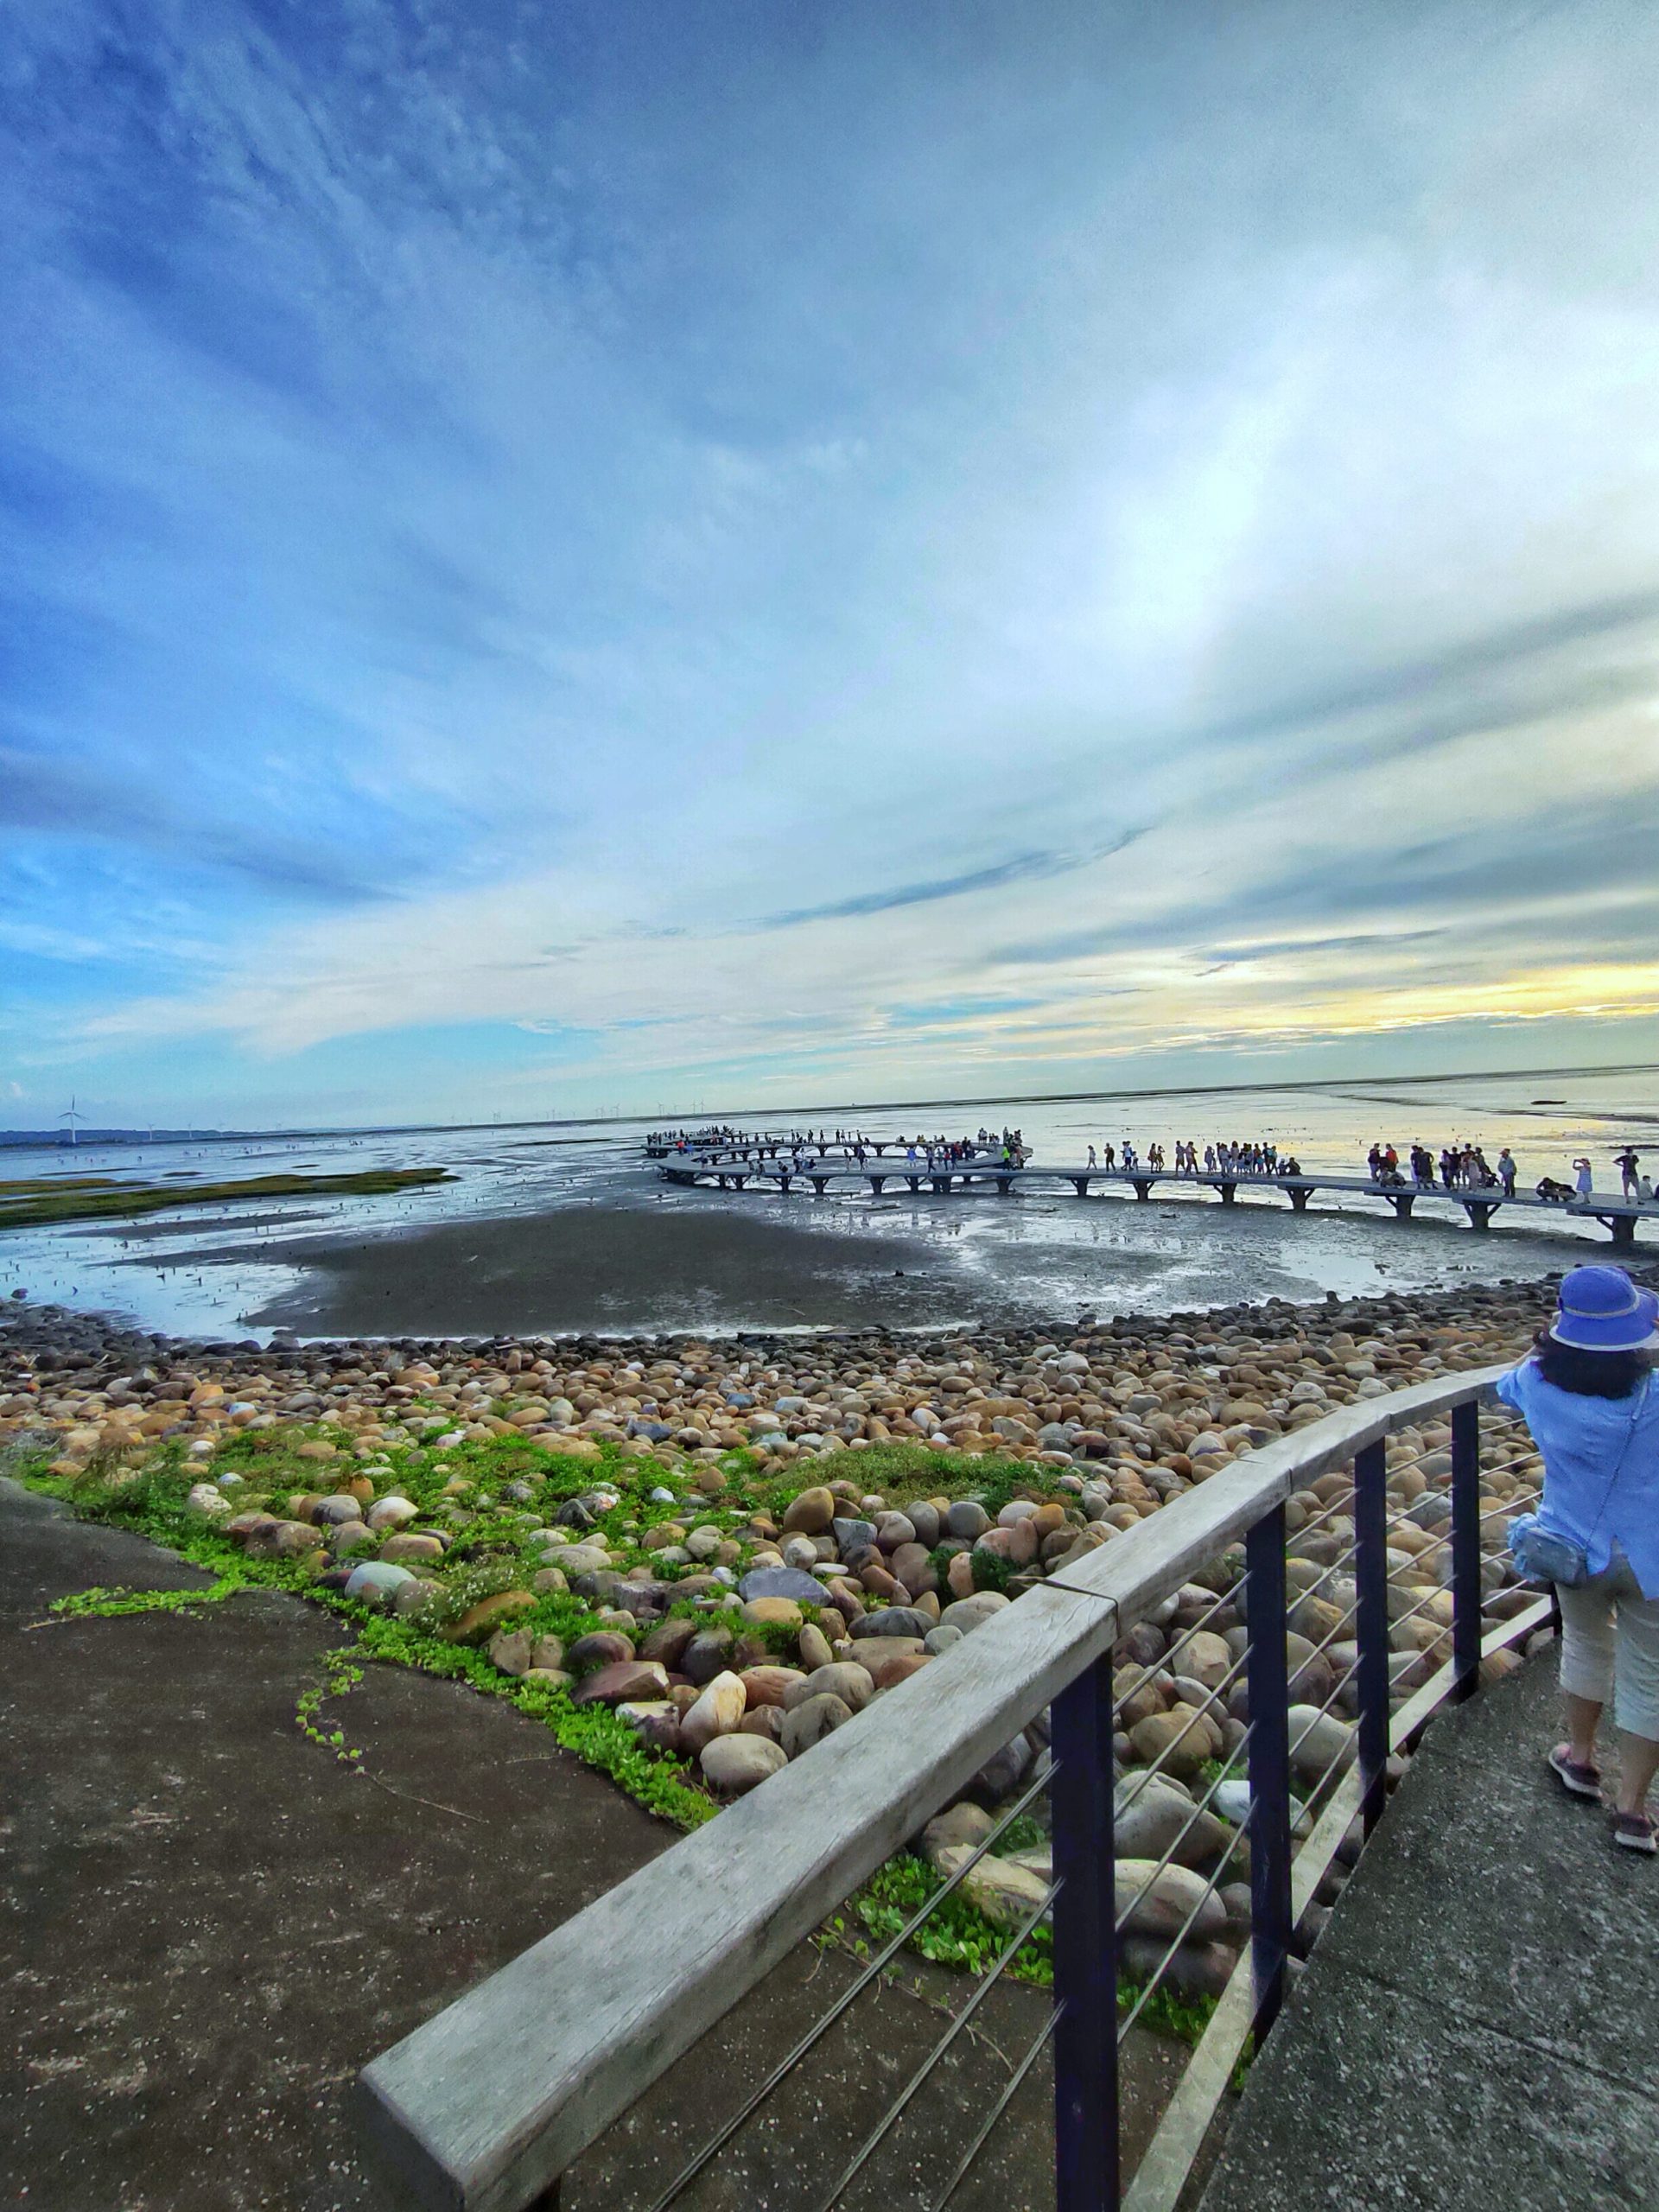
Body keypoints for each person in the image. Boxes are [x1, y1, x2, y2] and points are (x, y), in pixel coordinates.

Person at [1497, 1267, 1659, 1852]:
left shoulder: (1538, 1384)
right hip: (1652, 1556)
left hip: (1573, 1549)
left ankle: (1581, 1760)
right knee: (1651, 1677)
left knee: (1587, 1644)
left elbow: (1506, 1386)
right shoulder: (1656, 1391)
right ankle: (1634, 1813)